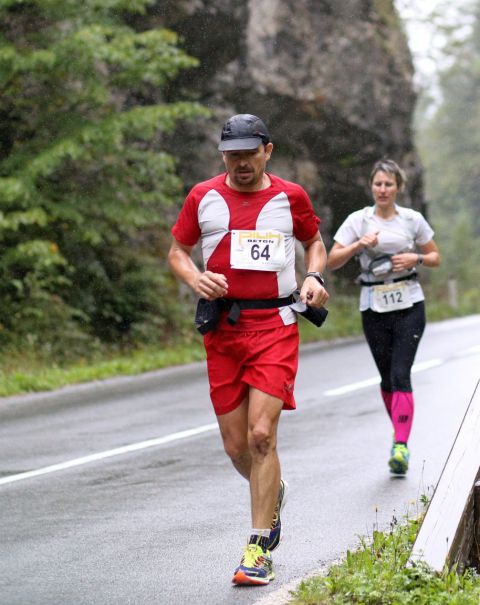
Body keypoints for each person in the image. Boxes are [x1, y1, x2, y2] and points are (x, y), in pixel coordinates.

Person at [168, 113, 329, 585]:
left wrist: (315, 276)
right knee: (236, 445)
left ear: (267, 151)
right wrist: (195, 277)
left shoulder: (290, 196)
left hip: (276, 324)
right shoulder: (202, 197)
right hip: (223, 330)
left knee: (262, 435)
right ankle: (272, 489)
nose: (240, 163)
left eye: (248, 154)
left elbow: (314, 242)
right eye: (232, 155)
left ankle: (257, 549)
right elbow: (177, 251)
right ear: (223, 155)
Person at [327, 158, 440, 475]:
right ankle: (400, 434)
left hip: (409, 303)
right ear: (371, 187)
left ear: (398, 188)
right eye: (378, 184)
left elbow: (434, 256)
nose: (383, 189)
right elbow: (332, 260)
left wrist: (414, 256)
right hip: (373, 305)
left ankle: (401, 445)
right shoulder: (358, 221)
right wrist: (358, 245)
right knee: (387, 377)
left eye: (389, 184)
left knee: (402, 373)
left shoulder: (411, 220)